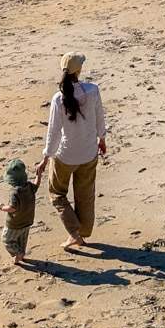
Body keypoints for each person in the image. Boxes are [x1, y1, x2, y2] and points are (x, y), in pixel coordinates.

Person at [36, 53, 107, 250]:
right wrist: (102, 138)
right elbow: (99, 117)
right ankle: (82, 232)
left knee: (56, 193)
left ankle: (74, 234)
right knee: (85, 195)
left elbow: (53, 131)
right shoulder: (93, 90)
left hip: (65, 155)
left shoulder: (59, 98)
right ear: (79, 70)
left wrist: (45, 158)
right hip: (88, 152)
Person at [0, 158, 40, 266]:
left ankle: (18, 254)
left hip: (14, 223)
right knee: (22, 240)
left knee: (7, 240)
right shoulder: (30, 186)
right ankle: (20, 253)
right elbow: (37, 185)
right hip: (27, 220)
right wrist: (38, 175)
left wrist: (2, 207)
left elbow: (13, 208)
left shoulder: (15, 192)